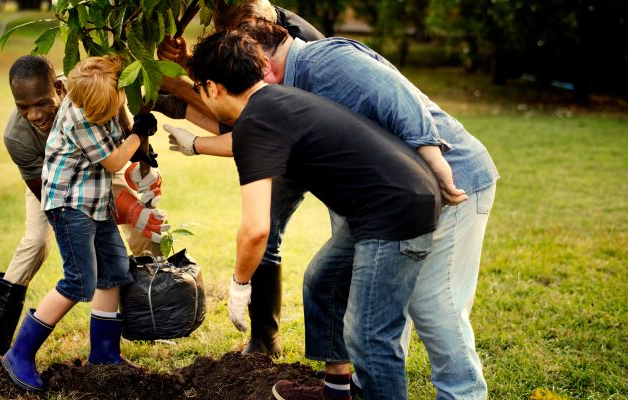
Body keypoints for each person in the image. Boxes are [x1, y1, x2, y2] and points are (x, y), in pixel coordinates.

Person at [170, 21, 500, 399]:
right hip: (390, 200)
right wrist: (194, 143)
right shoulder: (277, 101)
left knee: (372, 334)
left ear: (212, 88)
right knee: (324, 280)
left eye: (200, 88)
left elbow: (256, 229)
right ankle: (336, 390)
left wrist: (240, 284)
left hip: (396, 210)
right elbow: (246, 140)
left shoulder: (313, 71)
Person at [158, 0, 324, 357]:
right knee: (270, 232)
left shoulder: (296, 45)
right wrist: (189, 65)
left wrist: (179, 89)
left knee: (285, 240)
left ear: (255, 25)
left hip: (323, 149)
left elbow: (252, 123)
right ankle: (264, 340)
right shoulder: (256, 31)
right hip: (293, 139)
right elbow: (239, 102)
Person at [0, 55, 166, 356]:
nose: (34, 115)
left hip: (96, 172)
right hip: (57, 187)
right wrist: (125, 206)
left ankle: (140, 325)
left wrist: (141, 163)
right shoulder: (20, 136)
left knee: (126, 251)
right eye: (23, 107)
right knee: (40, 245)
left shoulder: (89, 88)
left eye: (41, 103)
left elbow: (119, 127)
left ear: (59, 87)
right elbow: (51, 194)